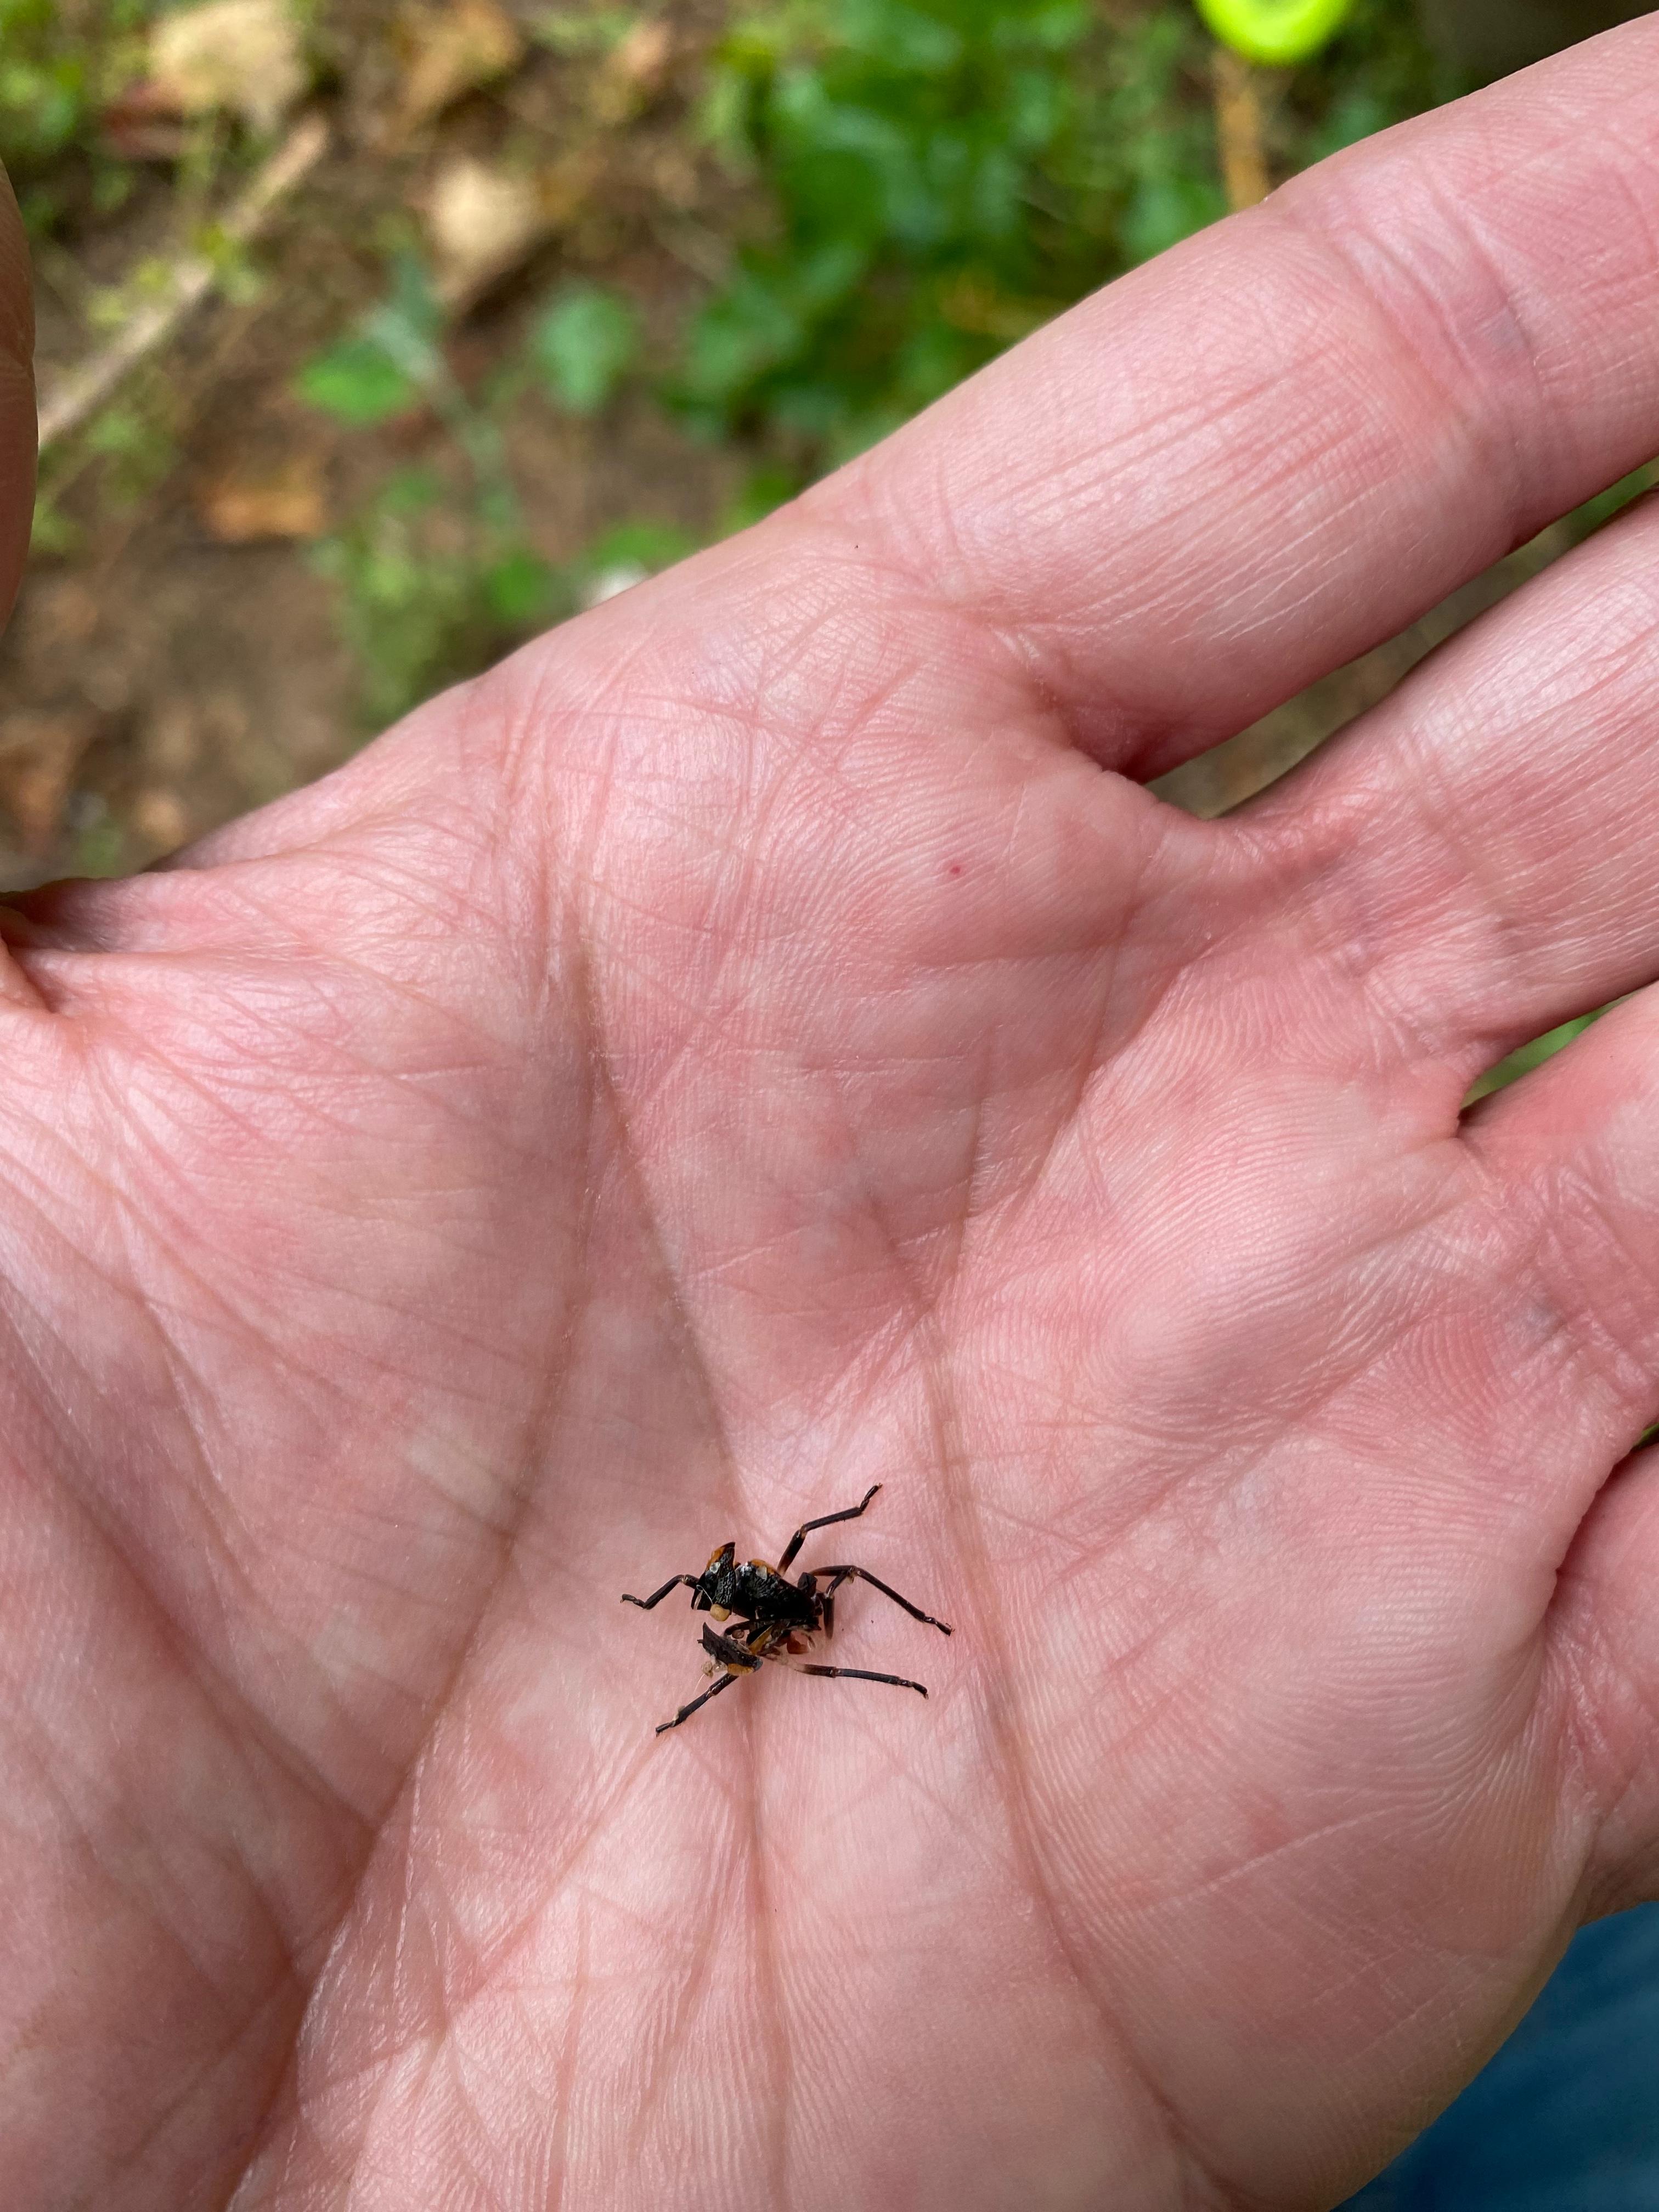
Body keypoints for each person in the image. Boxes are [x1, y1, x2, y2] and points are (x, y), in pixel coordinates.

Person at [3, 19, 1659, 2207]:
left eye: (716, 1607)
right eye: (722, 1616)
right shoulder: (747, 1619)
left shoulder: (761, 1592)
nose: (724, 1603)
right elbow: (770, 1605)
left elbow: (783, 1584)